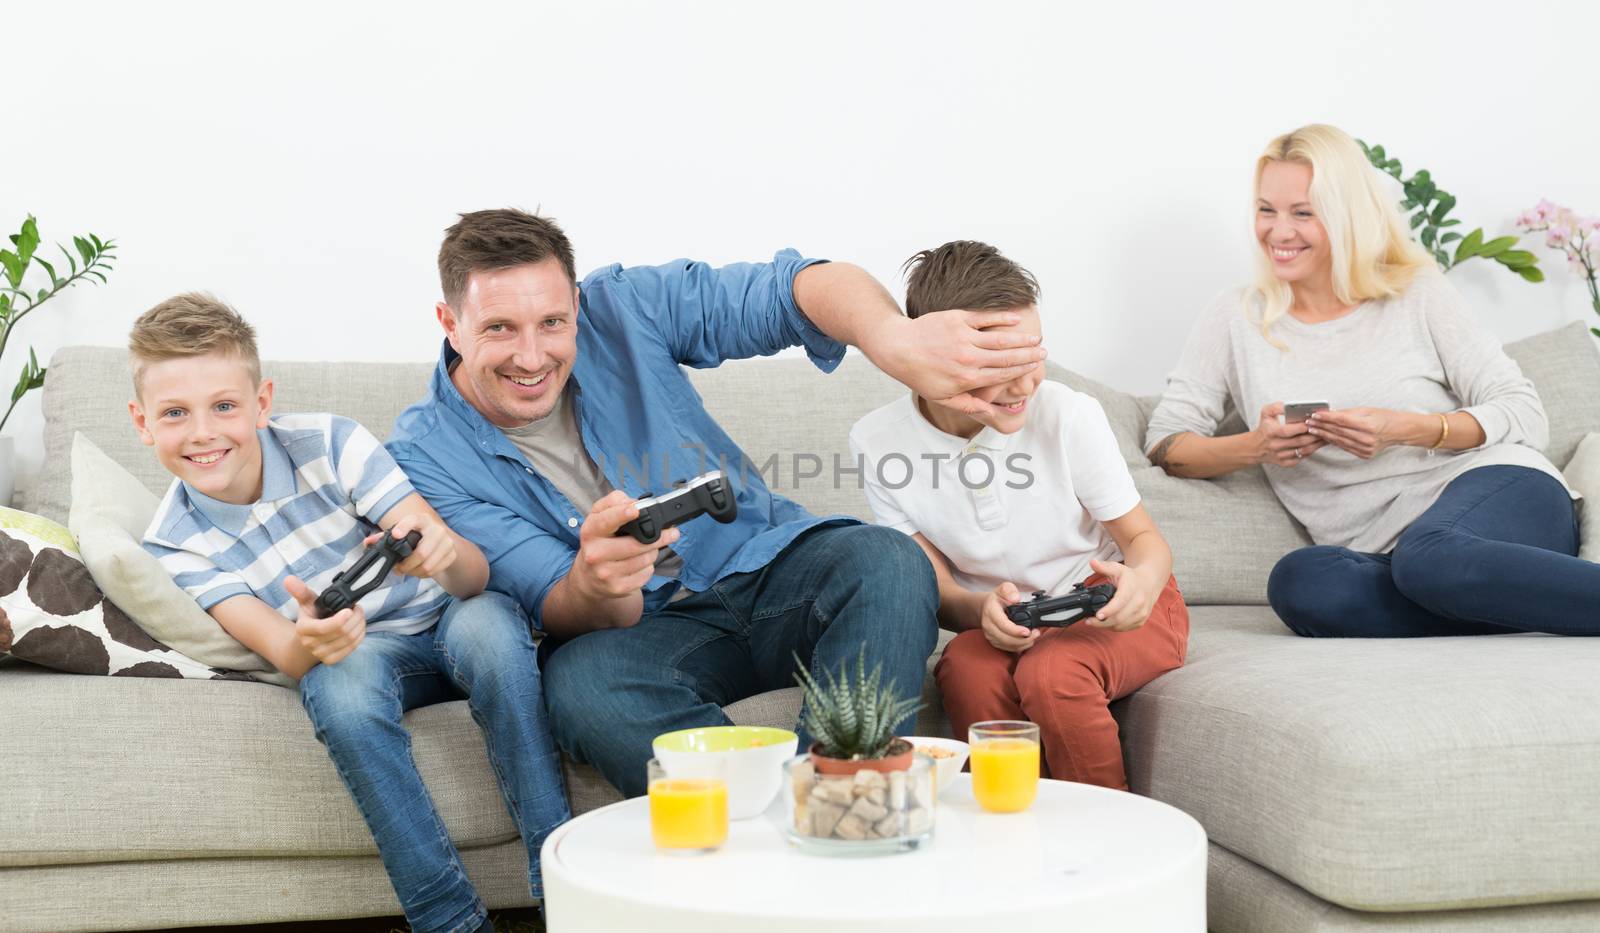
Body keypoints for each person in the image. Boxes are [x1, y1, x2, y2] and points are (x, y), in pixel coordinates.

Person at [386, 209, 1051, 796]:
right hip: (642, 631)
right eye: (500, 327)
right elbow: (560, 603)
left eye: (553, 322)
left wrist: (892, 338)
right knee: (581, 688)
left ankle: (834, 800)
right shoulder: (424, 452)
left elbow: (797, 288)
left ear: (578, 307)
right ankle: (800, 819)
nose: (532, 357)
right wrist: (596, 578)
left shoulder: (625, 306)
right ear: (449, 323)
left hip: (765, 565)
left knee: (890, 560)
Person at [130, 294, 568, 933]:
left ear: (261, 402)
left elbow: (472, 579)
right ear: (143, 423)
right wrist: (314, 639)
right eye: (175, 414)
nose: (203, 432)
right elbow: (285, 652)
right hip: (363, 654)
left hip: (453, 618)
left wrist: (443, 555)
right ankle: (449, 921)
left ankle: (565, 891)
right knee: (334, 685)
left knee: (495, 634)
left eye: (224, 406)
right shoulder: (172, 541)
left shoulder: (331, 443)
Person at [1144, 123, 1595, 637]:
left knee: (1431, 558)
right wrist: (1256, 447)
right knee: (1303, 583)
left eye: (1303, 213)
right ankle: (1509, 600)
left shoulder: (1417, 293)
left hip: (1500, 495)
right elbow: (1166, 442)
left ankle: (1484, 587)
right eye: (1266, 210)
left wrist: (1407, 428)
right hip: (1389, 555)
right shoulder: (1235, 316)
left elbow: (1524, 413)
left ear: (1346, 216)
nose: (1278, 231)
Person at [848, 241, 1188, 790]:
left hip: (1118, 607)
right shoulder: (877, 441)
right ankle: (1015, 830)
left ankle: (1108, 829)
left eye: (1034, 358)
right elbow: (940, 592)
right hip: (1024, 623)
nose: (1026, 383)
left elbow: (1145, 542)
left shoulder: (1066, 415)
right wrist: (982, 610)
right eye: (999, 365)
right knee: (966, 667)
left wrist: (1142, 584)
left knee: (1055, 671)